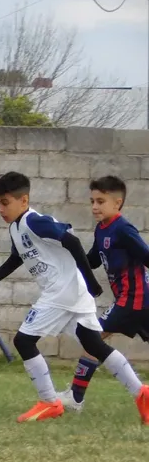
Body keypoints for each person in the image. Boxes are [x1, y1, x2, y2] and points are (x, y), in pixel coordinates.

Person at [0, 172, 149, 423]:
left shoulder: (35, 221)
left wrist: (90, 281)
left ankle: (49, 402)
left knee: (24, 341)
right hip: (72, 292)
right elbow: (16, 258)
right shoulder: (16, 228)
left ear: (23, 201)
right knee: (94, 345)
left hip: (62, 292)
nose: (1, 209)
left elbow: (71, 241)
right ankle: (141, 392)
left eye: (5, 202)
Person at [59, 175, 149, 412]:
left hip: (134, 299)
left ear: (117, 203)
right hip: (134, 301)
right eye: (92, 201)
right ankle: (76, 397)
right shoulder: (102, 230)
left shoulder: (123, 229)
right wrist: (67, 256)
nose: (95, 207)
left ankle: (76, 397)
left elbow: (146, 255)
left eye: (100, 201)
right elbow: (92, 262)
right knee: (94, 339)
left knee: (93, 338)